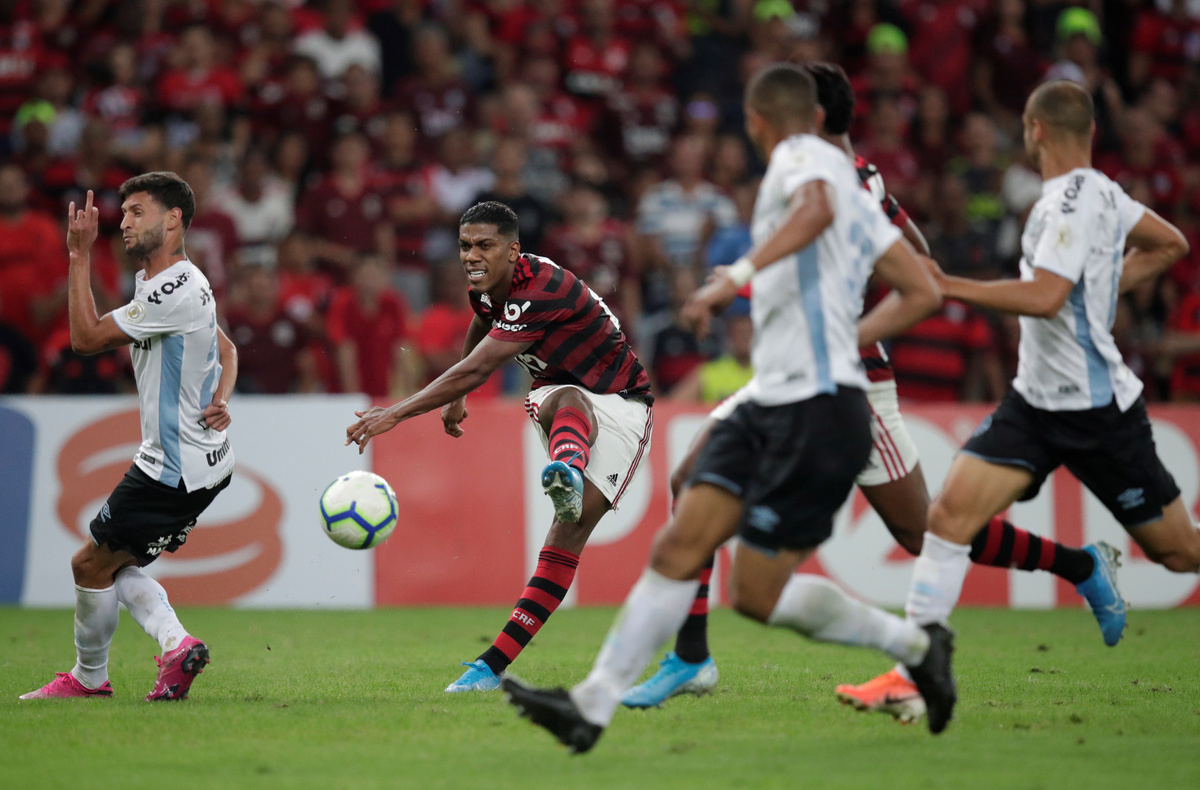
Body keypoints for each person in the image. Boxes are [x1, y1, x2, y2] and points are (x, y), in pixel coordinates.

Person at [620, 62, 1122, 725]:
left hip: (851, 384)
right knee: (689, 478)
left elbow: (915, 269)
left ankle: (1078, 564)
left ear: (813, 119)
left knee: (922, 531)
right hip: (789, 375)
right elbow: (915, 248)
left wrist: (832, 312)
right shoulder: (857, 177)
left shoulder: (839, 180)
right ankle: (691, 656)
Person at [502, 63, 948, 751]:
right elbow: (925, 288)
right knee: (682, 534)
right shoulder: (857, 189)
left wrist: (735, 278)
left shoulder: (800, 162)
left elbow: (820, 212)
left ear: (757, 121)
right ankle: (592, 704)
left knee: (757, 595)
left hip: (817, 406)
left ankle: (916, 646)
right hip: (772, 394)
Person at [900, 80, 1200, 734]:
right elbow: (1170, 244)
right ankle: (914, 667)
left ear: (1034, 130)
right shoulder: (1106, 193)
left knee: (1180, 553)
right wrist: (1103, 288)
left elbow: (1043, 298)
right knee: (948, 515)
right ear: (1089, 130)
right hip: (1034, 403)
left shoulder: (1064, 203)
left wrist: (948, 285)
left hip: (1097, 412)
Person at [345, 201, 655, 693]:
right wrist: (458, 398)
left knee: (566, 536)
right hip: (562, 395)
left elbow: (478, 365)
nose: (471, 256)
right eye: (465, 245)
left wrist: (396, 412)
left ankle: (568, 472)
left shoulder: (542, 290)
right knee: (566, 398)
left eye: (484, 245)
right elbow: (482, 322)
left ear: (513, 250)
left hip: (624, 404)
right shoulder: (489, 286)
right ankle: (488, 667)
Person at [20, 173, 238, 702]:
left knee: (89, 564)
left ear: (173, 219)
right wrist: (221, 398)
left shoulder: (172, 290)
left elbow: (85, 337)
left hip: (171, 468)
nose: (124, 222)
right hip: (203, 464)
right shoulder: (180, 281)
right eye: (125, 213)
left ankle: (99, 675)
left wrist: (78, 256)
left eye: (137, 212)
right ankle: (169, 647)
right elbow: (227, 349)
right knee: (113, 563)